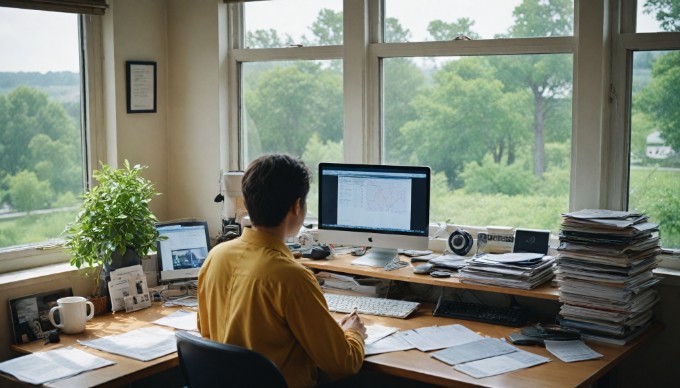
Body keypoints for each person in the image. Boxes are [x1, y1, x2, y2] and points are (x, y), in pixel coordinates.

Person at [198, 153, 366, 387]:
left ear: (248, 203)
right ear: (297, 206)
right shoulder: (291, 277)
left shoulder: (215, 256)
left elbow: (207, 334)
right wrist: (353, 332)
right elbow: (343, 363)